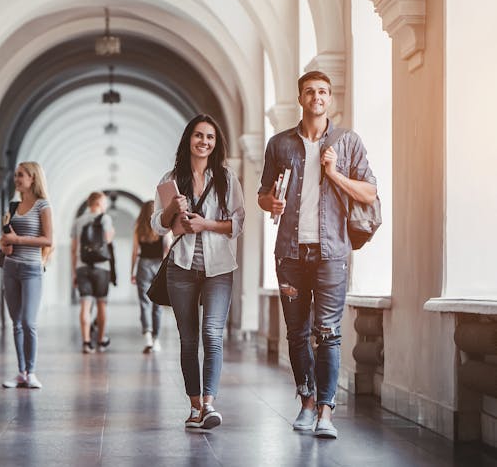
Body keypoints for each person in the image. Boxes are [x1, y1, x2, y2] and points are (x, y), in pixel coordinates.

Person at [258, 70, 377, 439]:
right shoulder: (279, 145)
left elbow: (369, 193)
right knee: (297, 333)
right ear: (301, 98)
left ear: (330, 98)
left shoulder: (347, 142)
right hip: (290, 254)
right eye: (310, 91)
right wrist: (270, 201)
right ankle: (306, 403)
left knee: (328, 333)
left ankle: (326, 411)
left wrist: (334, 172)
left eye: (323, 91)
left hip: (331, 253)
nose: (317, 97)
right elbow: (262, 193)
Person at [151, 114, 245, 430]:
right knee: (189, 339)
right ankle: (194, 406)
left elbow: (237, 223)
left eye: (210, 137)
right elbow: (157, 226)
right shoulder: (171, 178)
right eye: (198, 136)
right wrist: (172, 208)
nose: (203, 142)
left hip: (219, 268)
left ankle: (209, 404)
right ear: (188, 139)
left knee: (212, 334)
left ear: (215, 144)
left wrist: (206, 224)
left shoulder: (227, 178)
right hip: (182, 267)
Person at [0, 162, 53, 389]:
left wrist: (18, 240)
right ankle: (20, 372)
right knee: (16, 323)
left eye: (21, 175)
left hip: (32, 268)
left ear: (33, 178)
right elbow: (5, 238)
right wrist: (5, 244)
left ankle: (31, 372)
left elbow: (48, 240)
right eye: (15, 175)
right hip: (10, 267)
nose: (16, 179)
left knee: (29, 322)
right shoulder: (12, 206)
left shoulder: (43, 206)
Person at [71, 192, 114, 354]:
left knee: (85, 305)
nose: (106, 205)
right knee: (101, 304)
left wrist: (74, 272)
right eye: (105, 202)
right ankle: (101, 340)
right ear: (99, 203)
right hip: (101, 267)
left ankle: (86, 342)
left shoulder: (78, 221)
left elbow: (74, 248)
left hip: (82, 266)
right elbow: (108, 240)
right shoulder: (105, 219)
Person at [131, 201, 169, 353]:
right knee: (157, 305)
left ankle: (147, 335)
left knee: (144, 302)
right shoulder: (162, 226)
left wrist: (132, 272)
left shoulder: (138, 228)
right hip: (159, 266)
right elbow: (168, 247)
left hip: (143, 266)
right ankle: (156, 339)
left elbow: (134, 252)